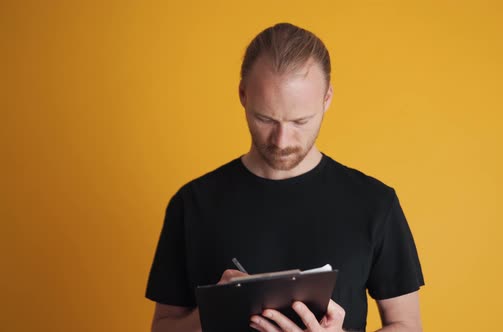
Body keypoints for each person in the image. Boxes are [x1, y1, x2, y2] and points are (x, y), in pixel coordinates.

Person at [146, 22, 425, 332]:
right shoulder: (193, 203)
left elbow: (407, 325)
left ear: (327, 99)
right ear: (242, 95)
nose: (281, 141)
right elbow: (162, 327)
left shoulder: (375, 203)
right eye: (265, 118)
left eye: (300, 121)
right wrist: (215, 309)